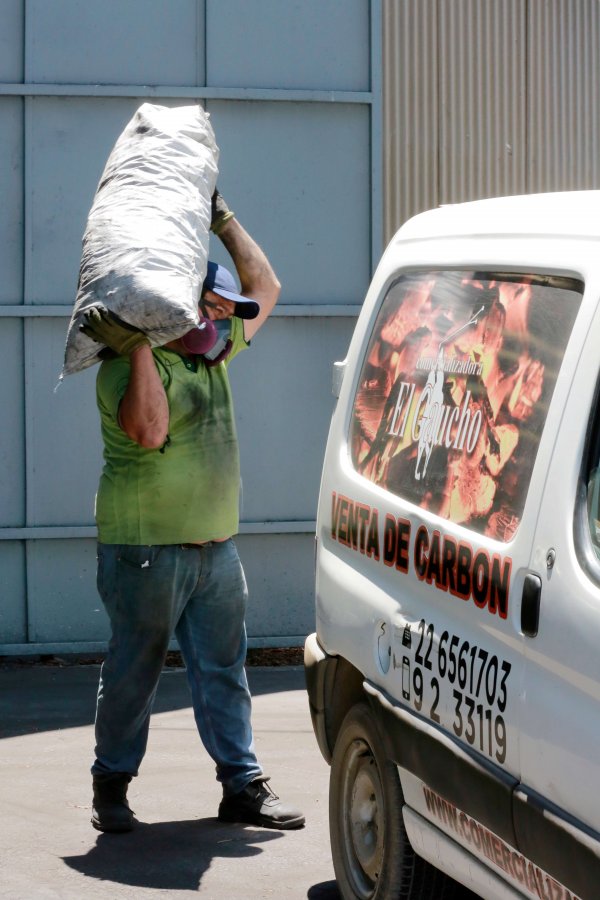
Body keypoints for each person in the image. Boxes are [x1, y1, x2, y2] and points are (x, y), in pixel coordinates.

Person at [80, 190, 305, 834]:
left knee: (224, 668)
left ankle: (242, 785)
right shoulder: (127, 366)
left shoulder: (214, 353)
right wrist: (142, 342)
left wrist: (223, 219)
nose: (219, 318)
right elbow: (148, 431)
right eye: (207, 306)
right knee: (136, 665)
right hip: (145, 546)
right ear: (176, 307)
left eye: (221, 309)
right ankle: (112, 784)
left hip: (215, 544)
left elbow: (268, 286)